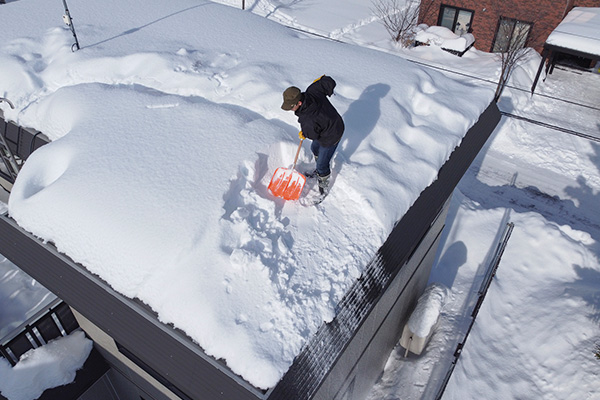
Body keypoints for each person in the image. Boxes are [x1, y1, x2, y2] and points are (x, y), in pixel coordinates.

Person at [281, 75, 344, 195]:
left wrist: (305, 132)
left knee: (322, 164)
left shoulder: (308, 119)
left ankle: (323, 183)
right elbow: (328, 82)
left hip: (332, 134)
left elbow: (312, 135)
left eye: (291, 107)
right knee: (314, 148)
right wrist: (322, 80)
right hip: (329, 123)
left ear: (299, 103)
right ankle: (319, 169)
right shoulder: (312, 91)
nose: (290, 110)